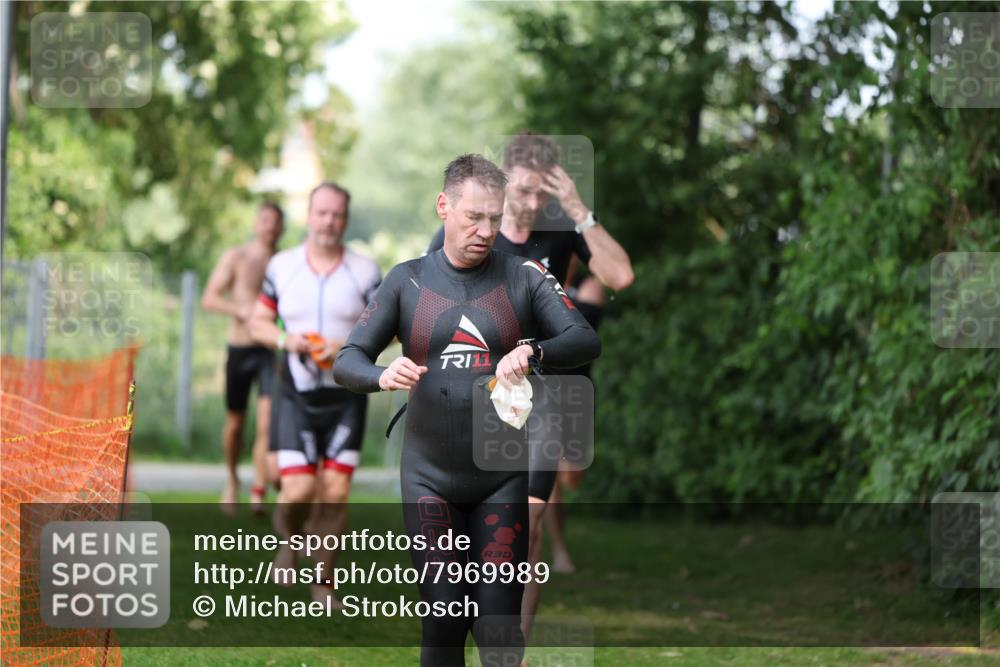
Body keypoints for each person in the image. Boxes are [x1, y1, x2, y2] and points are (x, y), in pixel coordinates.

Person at [334, 154, 600, 667]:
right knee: (444, 615)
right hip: (429, 476)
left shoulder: (522, 276)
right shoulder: (407, 281)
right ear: (443, 207)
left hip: (501, 477)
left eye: (495, 219)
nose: (485, 230)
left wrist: (535, 351)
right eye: (473, 217)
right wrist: (381, 375)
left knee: (499, 627)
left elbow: (583, 338)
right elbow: (347, 360)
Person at [427, 133, 633, 633]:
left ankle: (510, 645)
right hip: (479, 390)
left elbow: (621, 276)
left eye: (542, 194)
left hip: (546, 388)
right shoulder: (473, 229)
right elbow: (425, 303)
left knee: (529, 522)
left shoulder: (562, 230)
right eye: (523, 192)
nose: (531, 204)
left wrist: (578, 210)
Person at [248, 182, 381, 605]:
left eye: (337, 214)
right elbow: (257, 323)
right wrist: (286, 341)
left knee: (336, 491)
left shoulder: (364, 270)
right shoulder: (282, 267)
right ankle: (288, 540)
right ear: (309, 217)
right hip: (296, 395)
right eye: (322, 213)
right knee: (300, 492)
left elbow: (388, 329)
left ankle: (323, 582)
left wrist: (344, 345)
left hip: (346, 396)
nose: (329, 222)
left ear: (346, 219)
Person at [201, 201, 285, 515]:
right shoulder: (236, 257)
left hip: (269, 350)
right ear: (255, 224)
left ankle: (258, 492)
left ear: (282, 228)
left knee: (266, 422)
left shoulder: (285, 262)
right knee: (235, 424)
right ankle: (233, 480)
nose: (270, 227)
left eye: (276, 222)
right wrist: (237, 309)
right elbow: (209, 298)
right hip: (239, 348)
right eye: (265, 220)